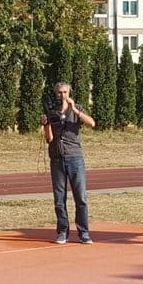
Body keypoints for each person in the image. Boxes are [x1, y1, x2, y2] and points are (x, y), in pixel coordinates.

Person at [41, 81, 94, 245]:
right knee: (59, 198)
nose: (62, 95)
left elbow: (91, 123)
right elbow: (49, 139)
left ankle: (84, 233)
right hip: (57, 158)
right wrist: (46, 125)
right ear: (55, 94)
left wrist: (75, 110)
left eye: (64, 92)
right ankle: (63, 231)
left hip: (75, 158)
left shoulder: (77, 109)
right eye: (59, 92)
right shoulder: (52, 111)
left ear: (69, 94)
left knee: (81, 197)